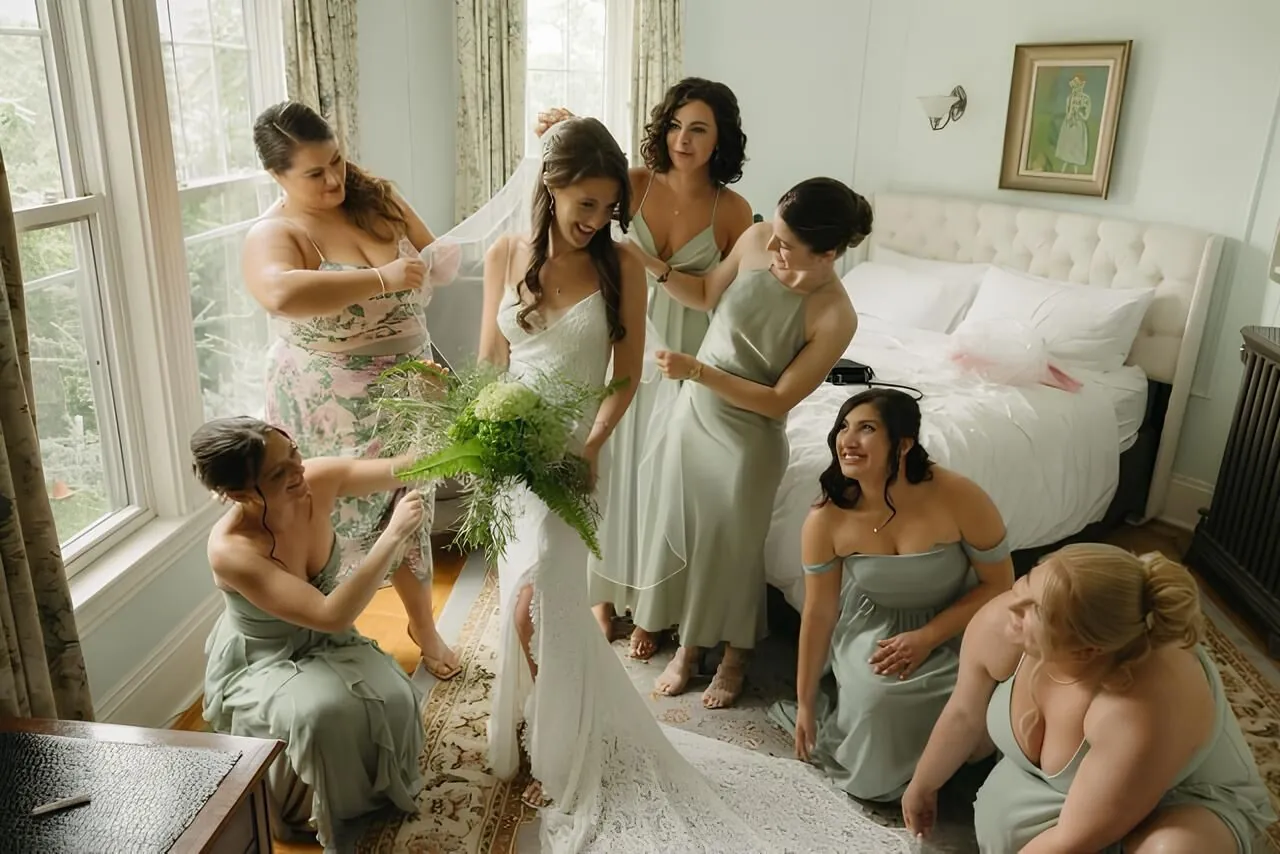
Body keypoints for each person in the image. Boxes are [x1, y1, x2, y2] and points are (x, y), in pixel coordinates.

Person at [482, 117, 909, 854]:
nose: (594, 221)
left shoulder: (621, 268)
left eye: (606, 209)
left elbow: (628, 375)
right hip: (513, 458)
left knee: (541, 596)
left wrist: (590, 444)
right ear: (549, 188)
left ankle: (562, 737)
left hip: (586, 457)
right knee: (520, 588)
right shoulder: (505, 253)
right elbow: (492, 358)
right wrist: (479, 429)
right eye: (584, 204)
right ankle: (527, 720)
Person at [624, 177, 869, 710]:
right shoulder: (758, 239)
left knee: (732, 549)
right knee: (685, 527)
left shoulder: (835, 314)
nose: (771, 246)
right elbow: (707, 293)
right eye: (774, 233)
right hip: (695, 414)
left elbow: (780, 399)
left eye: (787, 243)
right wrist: (647, 261)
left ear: (827, 253)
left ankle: (737, 655)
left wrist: (698, 371)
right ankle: (688, 648)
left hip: (749, 436)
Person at [532, 81, 755, 658]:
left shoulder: (731, 210)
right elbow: (584, 197)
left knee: (664, 480)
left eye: (699, 129)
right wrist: (565, 127)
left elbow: (707, 296)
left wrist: (647, 261)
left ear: (720, 138)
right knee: (613, 466)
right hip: (620, 336)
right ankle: (602, 597)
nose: (683, 139)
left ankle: (655, 608)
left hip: (684, 350)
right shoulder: (633, 182)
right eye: (676, 125)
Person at [241, 100, 458, 680]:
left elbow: (441, 257)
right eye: (314, 173)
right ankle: (334, 638)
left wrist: (437, 260)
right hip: (328, 401)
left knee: (409, 509)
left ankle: (424, 626)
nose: (334, 178)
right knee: (328, 519)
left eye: (336, 161)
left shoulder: (373, 196)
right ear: (276, 176)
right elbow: (279, 294)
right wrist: (383, 278)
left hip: (409, 391)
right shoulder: (276, 231)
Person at [902, 543, 1277, 853]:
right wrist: (922, 785)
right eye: (1027, 583)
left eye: (1036, 611)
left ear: (1086, 650)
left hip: (1180, 799)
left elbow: (1071, 841)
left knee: (1172, 850)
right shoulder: (1006, 621)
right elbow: (964, 714)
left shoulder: (1140, 705)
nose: (1012, 608)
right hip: (1091, 786)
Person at [767, 388, 1014, 801]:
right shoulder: (825, 519)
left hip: (957, 621)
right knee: (879, 699)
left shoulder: (959, 495)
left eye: (866, 429)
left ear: (903, 444)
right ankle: (903, 773)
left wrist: (927, 637)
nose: (847, 439)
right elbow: (819, 612)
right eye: (843, 427)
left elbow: (999, 584)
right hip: (875, 627)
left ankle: (946, 768)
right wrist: (805, 702)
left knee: (980, 693)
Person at [195, 416, 428, 852]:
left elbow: (405, 467)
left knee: (396, 696)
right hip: (266, 656)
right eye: (278, 472)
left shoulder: (313, 479)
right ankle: (305, 812)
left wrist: (458, 440)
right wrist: (392, 535)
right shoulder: (232, 550)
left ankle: (373, 794)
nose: (299, 470)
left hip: (325, 637)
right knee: (321, 716)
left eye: (294, 454)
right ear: (240, 493)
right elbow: (330, 613)